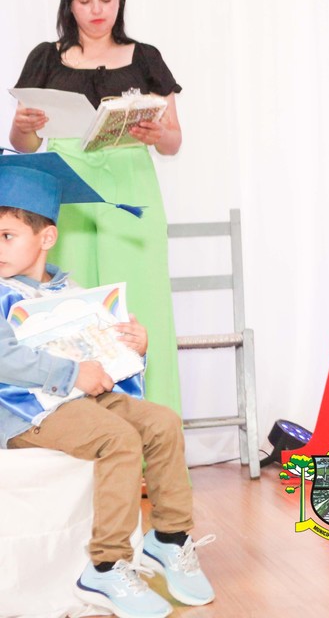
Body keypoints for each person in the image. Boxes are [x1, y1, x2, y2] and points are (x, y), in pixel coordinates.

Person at [0, 152, 213, 618]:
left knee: (162, 422)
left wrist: (132, 348)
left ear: (46, 238)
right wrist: (70, 373)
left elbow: (101, 359)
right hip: (23, 413)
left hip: (81, 399)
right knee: (118, 439)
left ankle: (170, 537)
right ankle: (107, 564)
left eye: (7, 236)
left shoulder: (70, 293)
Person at [10, 0, 184, 414]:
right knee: (71, 306)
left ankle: (155, 430)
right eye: (85, 0)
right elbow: (24, 145)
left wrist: (156, 133)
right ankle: (83, 434)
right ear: (70, 5)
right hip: (70, 189)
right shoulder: (46, 57)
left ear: (120, 0)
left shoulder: (146, 57)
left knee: (142, 305)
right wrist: (24, 127)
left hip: (132, 189)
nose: (97, 9)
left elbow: (173, 142)